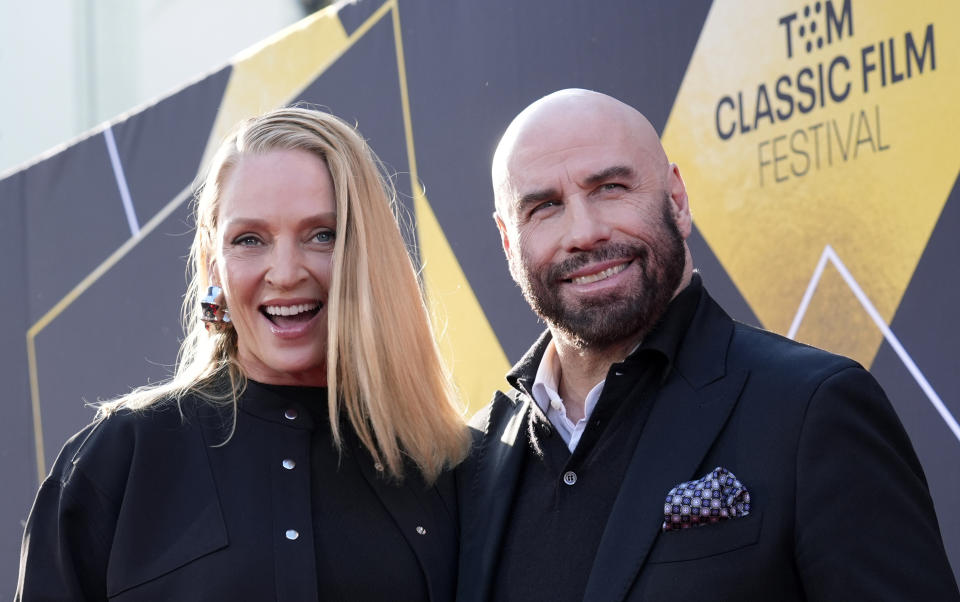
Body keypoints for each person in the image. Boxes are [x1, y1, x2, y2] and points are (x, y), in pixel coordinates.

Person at [456, 89, 960, 601]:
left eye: (610, 187)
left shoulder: (812, 409)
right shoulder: (470, 460)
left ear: (676, 200)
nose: (583, 232)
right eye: (545, 207)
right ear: (508, 242)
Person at [16, 107, 470, 601]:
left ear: (368, 252)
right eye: (249, 239)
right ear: (214, 265)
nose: (285, 271)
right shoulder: (117, 461)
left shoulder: (444, 467)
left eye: (322, 234)